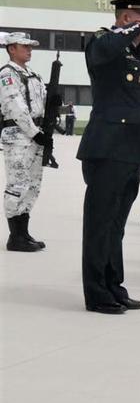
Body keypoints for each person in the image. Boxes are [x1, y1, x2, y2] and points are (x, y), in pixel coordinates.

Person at [76, 0, 140, 313]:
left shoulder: (137, 52)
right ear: (126, 18)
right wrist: (136, 27)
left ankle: (114, 286)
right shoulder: (103, 42)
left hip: (131, 150)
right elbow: (105, 49)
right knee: (100, 224)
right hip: (109, 149)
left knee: (116, 226)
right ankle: (97, 293)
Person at [1, 32, 49, 252]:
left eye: (30, 47)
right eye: (24, 46)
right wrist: (34, 132)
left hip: (35, 134)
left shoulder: (34, 75)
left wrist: (55, 103)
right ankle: (15, 237)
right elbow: (15, 106)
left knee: (33, 185)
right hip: (18, 136)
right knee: (17, 184)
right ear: (11, 48)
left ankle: (23, 233)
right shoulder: (7, 74)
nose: (29, 50)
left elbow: (41, 104)